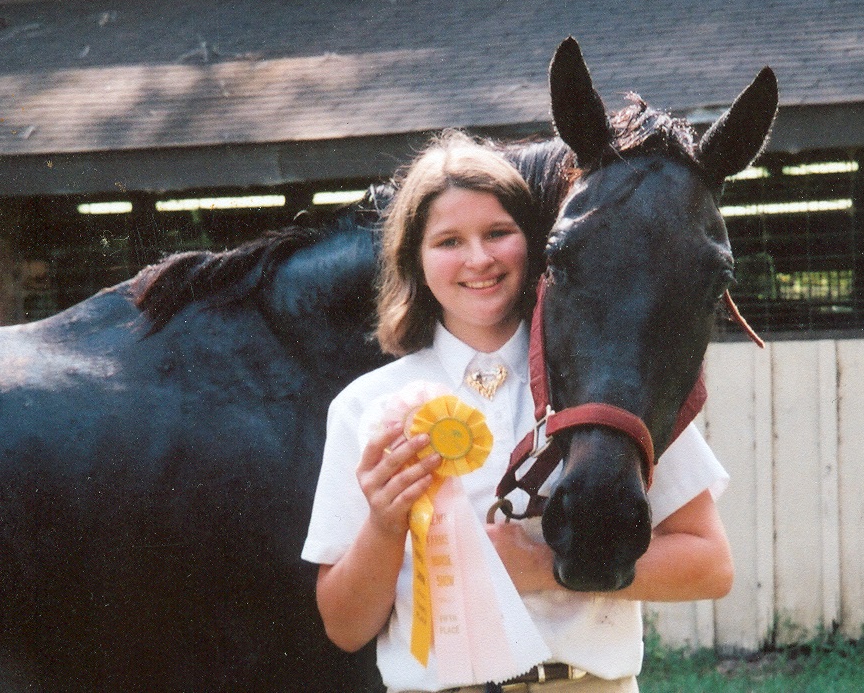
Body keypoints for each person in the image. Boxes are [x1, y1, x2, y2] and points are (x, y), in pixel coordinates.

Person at [301, 131, 733, 693]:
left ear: (535, 244)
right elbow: (345, 627)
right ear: (414, 258)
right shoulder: (366, 407)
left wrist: (544, 568)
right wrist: (384, 525)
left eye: (498, 233)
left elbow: (710, 565)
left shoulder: (606, 378)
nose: (479, 258)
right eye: (448, 241)